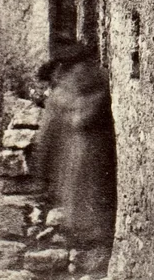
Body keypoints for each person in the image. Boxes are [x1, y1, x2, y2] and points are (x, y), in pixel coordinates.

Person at [32, 42, 117, 247]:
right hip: (89, 154)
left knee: (85, 201)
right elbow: (47, 136)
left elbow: (46, 138)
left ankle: (88, 242)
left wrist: (41, 174)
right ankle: (92, 241)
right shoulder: (99, 83)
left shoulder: (66, 94)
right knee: (90, 200)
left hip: (85, 154)